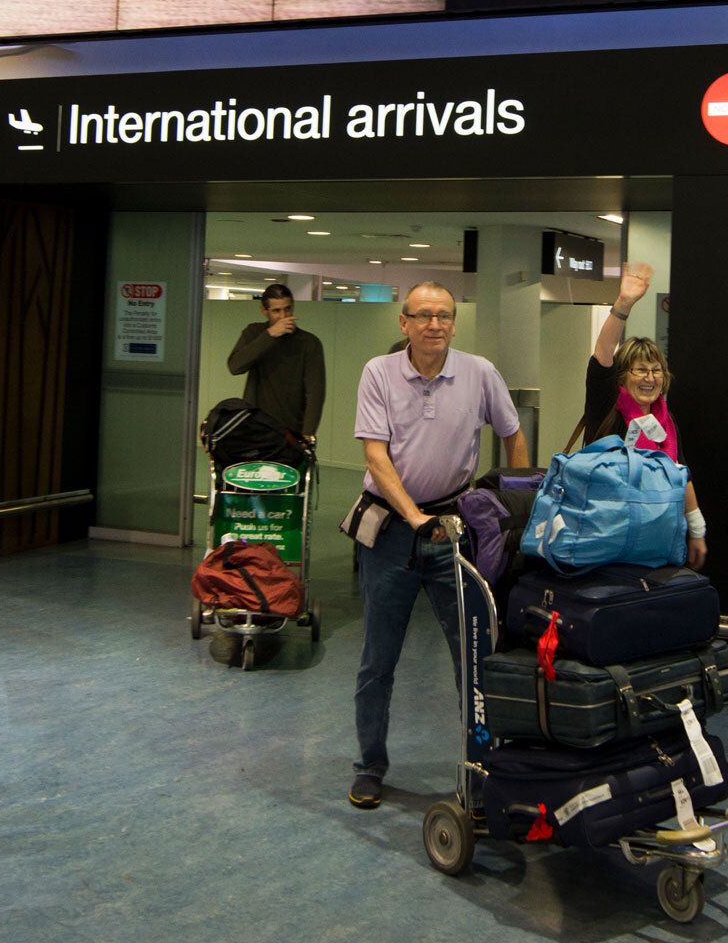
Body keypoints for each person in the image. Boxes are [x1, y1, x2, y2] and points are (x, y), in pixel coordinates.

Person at [346, 281, 529, 809]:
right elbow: (376, 459)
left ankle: (484, 767)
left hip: (455, 533)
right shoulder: (378, 373)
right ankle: (370, 766)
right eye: (423, 315)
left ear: (454, 323)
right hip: (391, 534)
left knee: (473, 659)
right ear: (403, 323)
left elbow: (512, 433)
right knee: (378, 659)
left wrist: (518, 508)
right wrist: (415, 516)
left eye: (444, 316)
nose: (434, 324)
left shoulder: (479, 372)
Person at [584, 262, 708, 572]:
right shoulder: (607, 404)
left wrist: (697, 529)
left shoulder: (664, 421)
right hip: (606, 538)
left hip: (658, 539)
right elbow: (602, 354)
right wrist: (623, 305)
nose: (650, 377)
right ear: (622, 377)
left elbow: (680, 473)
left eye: (656, 370)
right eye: (640, 369)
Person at [226, 283, 325, 441]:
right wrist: (269, 335)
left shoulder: (309, 343)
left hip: (292, 430)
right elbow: (235, 366)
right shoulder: (254, 333)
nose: (283, 316)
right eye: (276, 311)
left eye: (287, 309)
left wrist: (308, 433)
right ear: (264, 311)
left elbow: (315, 393)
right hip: (254, 427)